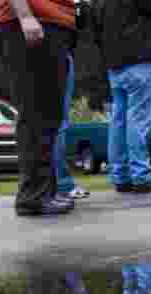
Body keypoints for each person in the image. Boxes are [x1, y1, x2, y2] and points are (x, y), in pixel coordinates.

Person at [0, 0, 77, 216]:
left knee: (49, 113)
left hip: (48, 20)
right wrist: (25, 16)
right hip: (28, 21)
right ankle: (34, 196)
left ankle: (45, 192)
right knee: (37, 110)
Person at [90, 0, 151, 195]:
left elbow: (94, 28)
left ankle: (120, 175)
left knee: (118, 120)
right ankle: (141, 175)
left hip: (113, 61)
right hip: (138, 56)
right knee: (138, 118)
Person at [54, 44, 91, 201]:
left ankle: (48, 185)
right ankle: (61, 185)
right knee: (56, 122)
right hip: (55, 48)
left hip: (49, 49)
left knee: (48, 122)